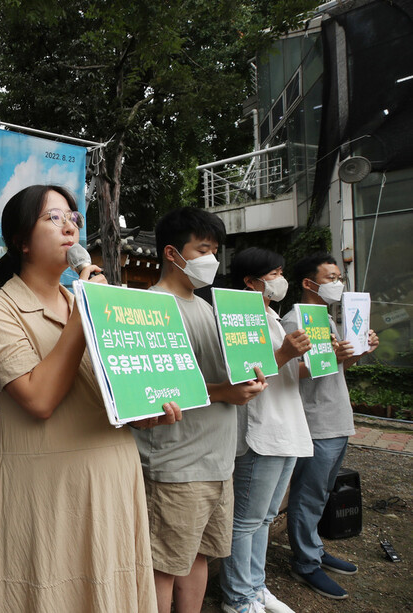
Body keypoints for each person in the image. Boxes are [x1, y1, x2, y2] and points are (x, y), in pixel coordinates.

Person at [0, 185, 181, 612]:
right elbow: (39, 398)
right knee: (47, 588)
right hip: (45, 484)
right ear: (21, 240)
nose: (69, 225)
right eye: (53, 217)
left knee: (111, 586)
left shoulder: (97, 304)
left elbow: (117, 394)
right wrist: (85, 314)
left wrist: (145, 414)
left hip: (112, 472)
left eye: (73, 217)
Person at [132, 207, 268, 613]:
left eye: (215, 250)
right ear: (172, 253)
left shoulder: (209, 308)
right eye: (203, 249)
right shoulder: (152, 308)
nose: (212, 259)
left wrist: (252, 373)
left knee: (200, 555)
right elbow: (155, 391)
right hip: (177, 464)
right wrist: (225, 393)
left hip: (217, 461)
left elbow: (229, 374)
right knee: (163, 566)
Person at [218, 248, 314, 613]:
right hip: (260, 431)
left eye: (280, 272)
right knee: (245, 520)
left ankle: (255, 587)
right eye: (272, 273)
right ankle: (238, 597)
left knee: (265, 517)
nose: (279, 280)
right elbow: (242, 375)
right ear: (250, 281)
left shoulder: (272, 316)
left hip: (286, 426)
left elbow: (289, 373)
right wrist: (285, 354)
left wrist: (322, 356)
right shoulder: (234, 316)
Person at [281, 253, 379, 600]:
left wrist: (357, 353)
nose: (338, 284)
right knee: (307, 495)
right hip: (315, 422)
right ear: (309, 284)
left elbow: (336, 369)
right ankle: (305, 563)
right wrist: (330, 358)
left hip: (337, 418)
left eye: (340, 277)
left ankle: (315, 549)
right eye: (332, 277)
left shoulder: (329, 320)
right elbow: (290, 372)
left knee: (321, 492)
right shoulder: (295, 321)